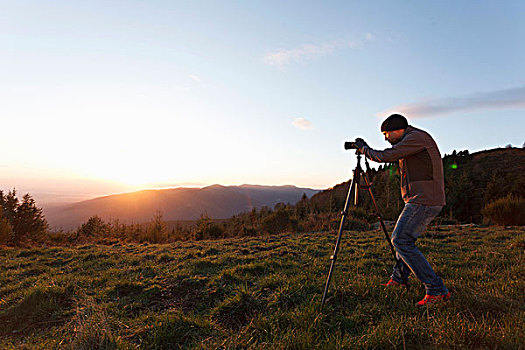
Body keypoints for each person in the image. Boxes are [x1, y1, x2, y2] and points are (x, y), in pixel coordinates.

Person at [355, 114, 451, 307]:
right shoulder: (411, 139)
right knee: (405, 240)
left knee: (400, 239)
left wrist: (364, 150)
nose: (385, 138)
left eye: (386, 134)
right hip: (419, 199)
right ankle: (399, 279)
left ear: (398, 130)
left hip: (424, 200)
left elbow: (385, 156)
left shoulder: (416, 138)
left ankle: (436, 290)